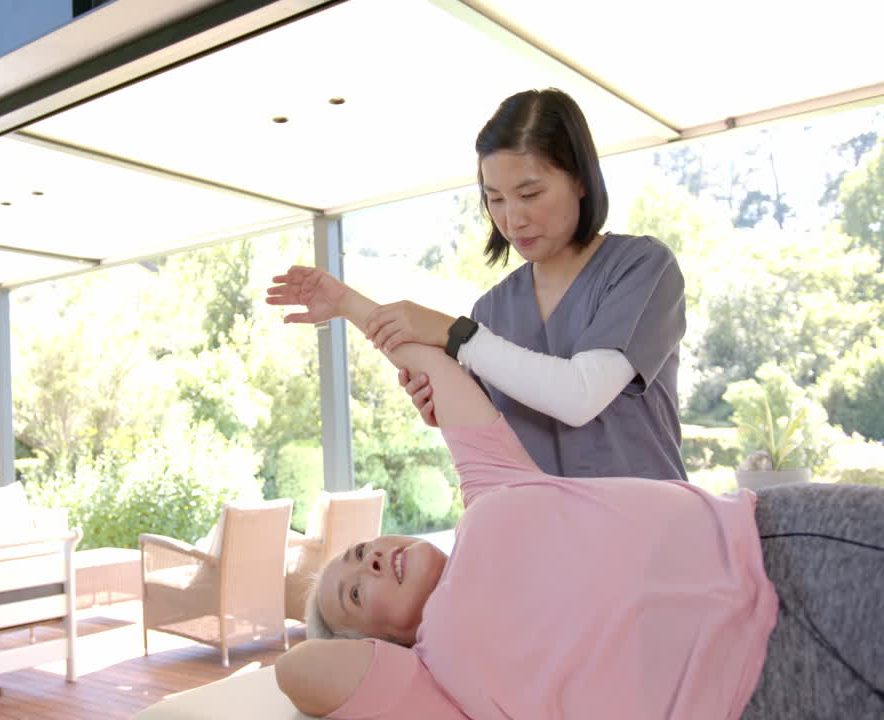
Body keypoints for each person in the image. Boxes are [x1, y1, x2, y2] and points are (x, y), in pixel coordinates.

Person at [265, 271, 884, 720]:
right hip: (753, 695)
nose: (368, 557)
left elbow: (431, 362)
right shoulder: (436, 684)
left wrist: (344, 301)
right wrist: (338, 630)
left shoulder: (489, 491)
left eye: (361, 550)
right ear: (378, 646)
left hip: (784, 545)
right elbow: (302, 672)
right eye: (355, 590)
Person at [273, 87, 688, 481]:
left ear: (580, 180)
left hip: (649, 531)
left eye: (530, 194)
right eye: (496, 198)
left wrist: (456, 334)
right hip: (544, 540)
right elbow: (487, 438)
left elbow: (578, 396)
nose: (512, 219)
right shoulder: (492, 310)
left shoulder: (642, 267)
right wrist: (348, 304)